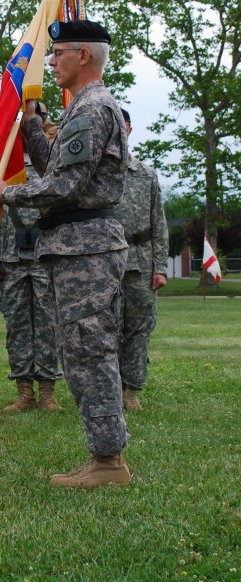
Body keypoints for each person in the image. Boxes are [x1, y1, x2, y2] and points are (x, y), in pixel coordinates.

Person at [0, 20, 130, 488]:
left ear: (83, 56)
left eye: (58, 52)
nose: (50, 62)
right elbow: (57, 167)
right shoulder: (84, 108)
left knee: (90, 349)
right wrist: (30, 124)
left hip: (85, 246)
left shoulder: (91, 109)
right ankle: (102, 455)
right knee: (81, 348)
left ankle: (109, 461)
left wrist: (7, 193)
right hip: (76, 246)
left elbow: (65, 186)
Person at [0, 114, 63, 413]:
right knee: (18, 325)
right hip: (11, 257)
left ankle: (48, 391)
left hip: (44, 254)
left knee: (48, 323)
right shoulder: (0, 165)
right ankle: (24, 391)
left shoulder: (52, 164)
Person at [114, 109, 169, 410]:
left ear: (130, 130)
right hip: (104, 264)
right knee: (105, 329)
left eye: (122, 127)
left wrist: (160, 267)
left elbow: (159, 225)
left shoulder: (146, 175)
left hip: (140, 262)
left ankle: (130, 390)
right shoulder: (97, 174)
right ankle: (107, 390)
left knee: (138, 327)